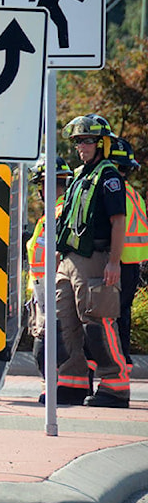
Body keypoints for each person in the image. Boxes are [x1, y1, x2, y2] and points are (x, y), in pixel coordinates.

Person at [52, 115, 130, 408]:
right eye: (77, 141)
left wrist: (113, 262)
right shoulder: (79, 175)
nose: (81, 146)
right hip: (70, 260)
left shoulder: (108, 176)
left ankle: (115, 386)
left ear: (101, 143)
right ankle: (72, 384)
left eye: (87, 140)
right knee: (66, 326)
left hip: (96, 258)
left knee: (97, 324)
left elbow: (118, 221)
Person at [24, 156, 72, 378]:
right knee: (44, 345)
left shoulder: (61, 212)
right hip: (43, 290)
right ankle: (53, 387)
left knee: (47, 348)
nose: (40, 190)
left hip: (53, 288)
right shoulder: (51, 214)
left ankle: (54, 388)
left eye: (40, 184)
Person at [108, 136, 148, 366]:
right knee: (122, 318)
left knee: (106, 321)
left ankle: (114, 371)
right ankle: (123, 367)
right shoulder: (133, 193)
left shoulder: (114, 192)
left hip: (116, 263)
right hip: (131, 266)